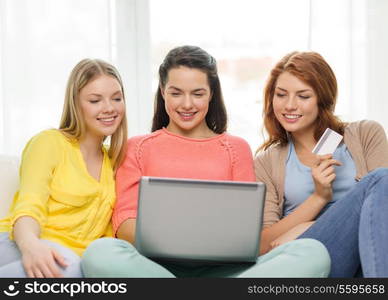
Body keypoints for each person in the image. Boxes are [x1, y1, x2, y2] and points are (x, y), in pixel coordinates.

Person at [81, 45, 330, 278]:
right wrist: (184, 240)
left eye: (197, 94)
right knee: (99, 253)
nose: (187, 104)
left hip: (227, 271)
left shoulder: (236, 148)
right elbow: (125, 227)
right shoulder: (137, 147)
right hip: (155, 268)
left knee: (311, 252)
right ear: (163, 92)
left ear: (211, 94)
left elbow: (246, 231)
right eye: (176, 93)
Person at [254, 51, 388, 277]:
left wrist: (305, 225)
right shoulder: (266, 162)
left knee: (382, 180)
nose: (289, 105)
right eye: (281, 94)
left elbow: (382, 207)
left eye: (303, 96)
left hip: (366, 251)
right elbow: (265, 244)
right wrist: (318, 198)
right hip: (312, 254)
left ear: (322, 99)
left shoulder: (365, 134)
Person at [0, 58, 127, 277]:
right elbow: (29, 206)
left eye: (116, 98)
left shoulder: (115, 162)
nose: (109, 108)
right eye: (95, 100)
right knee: (67, 264)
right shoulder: (49, 143)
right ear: (75, 104)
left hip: (72, 261)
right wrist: (32, 247)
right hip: (24, 242)